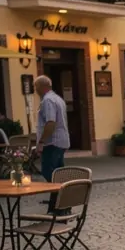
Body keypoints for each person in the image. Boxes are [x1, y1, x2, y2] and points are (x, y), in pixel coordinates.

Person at [33, 75, 70, 206]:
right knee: (58, 173)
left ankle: (63, 198)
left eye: (36, 87)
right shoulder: (58, 99)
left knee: (49, 173)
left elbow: (50, 123)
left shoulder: (48, 101)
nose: (35, 90)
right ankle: (58, 203)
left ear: (42, 87)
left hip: (52, 142)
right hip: (61, 141)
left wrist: (41, 142)